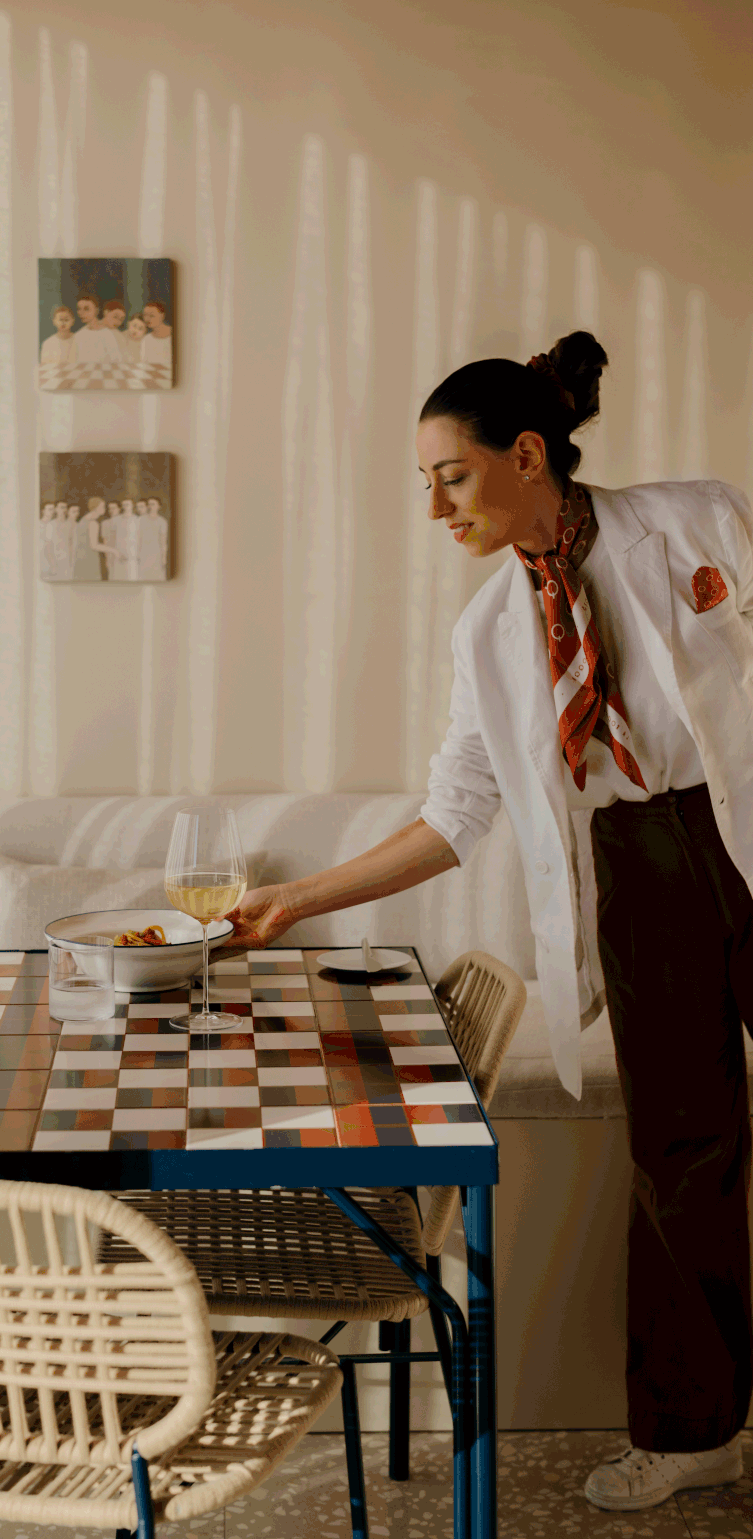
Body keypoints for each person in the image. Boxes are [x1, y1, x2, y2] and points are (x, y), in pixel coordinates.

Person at [229, 330, 753, 1514]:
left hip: (747, 836)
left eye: (448, 476)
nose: (432, 507)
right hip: (639, 871)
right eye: (424, 483)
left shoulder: (699, 520)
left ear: (526, 455)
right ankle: (692, 1434)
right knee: (680, 1157)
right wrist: (296, 900)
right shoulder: (488, 633)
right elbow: (456, 810)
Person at [73, 497, 116, 581]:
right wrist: (114, 550)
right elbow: (94, 545)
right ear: (96, 508)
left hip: (80, 559)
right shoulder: (93, 523)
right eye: (103, 506)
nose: (105, 509)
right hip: (89, 560)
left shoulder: (83, 520)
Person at [74, 293, 122, 366]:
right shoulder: (79, 335)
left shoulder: (107, 334)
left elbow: (116, 360)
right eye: (79, 309)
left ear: (96, 310)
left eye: (86, 309)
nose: (81, 313)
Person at [38, 305, 77, 388]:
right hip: (55, 382)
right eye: (60, 320)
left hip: (75, 381)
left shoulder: (79, 340)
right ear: (54, 321)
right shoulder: (48, 343)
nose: (63, 323)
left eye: (66, 320)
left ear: (72, 321)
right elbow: (45, 369)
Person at [141, 300, 173, 383]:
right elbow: (144, 365)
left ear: (162, 316)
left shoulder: (174, 335)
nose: (147, 319)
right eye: (145, 315)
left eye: (152, 315)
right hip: (153, 381)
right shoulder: (146, 339)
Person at [138, 495, 169, 580]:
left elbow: (163, 541)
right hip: (143, 554)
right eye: (149, 504)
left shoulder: (162, 522)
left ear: (159, 506)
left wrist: (163, 558)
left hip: (156, 554)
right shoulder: (140, 520)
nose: (151, 506)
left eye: (153, 504)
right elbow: (137, 538)